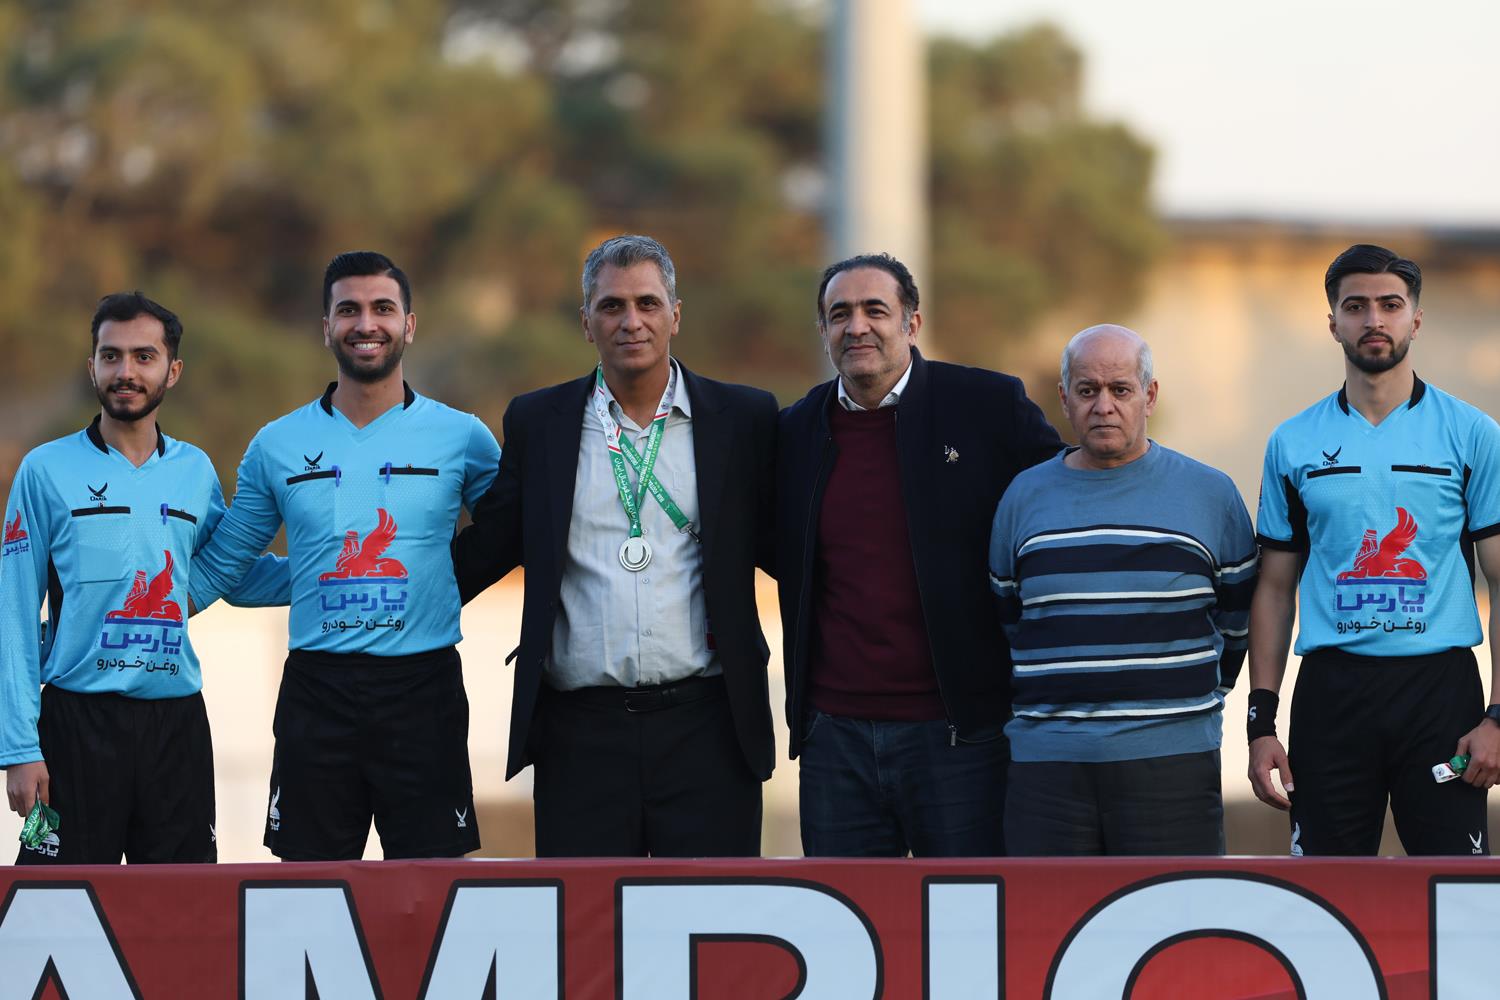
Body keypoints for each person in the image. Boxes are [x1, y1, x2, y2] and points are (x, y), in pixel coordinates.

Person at [452, 234, 776, 857]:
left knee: (715, 910)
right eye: (612, 306)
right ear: (586, 323)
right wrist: (383, 589)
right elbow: (487, 549)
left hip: (710, 726)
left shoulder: (744, 418)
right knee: (586, 916)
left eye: (648, 303)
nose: (632, 321)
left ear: (675, 315)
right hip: (581, 733)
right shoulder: (539, 423)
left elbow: (795, 546)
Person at [189, 251, 500, 861]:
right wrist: (119, 613)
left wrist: (437, 580)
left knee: (432, 885)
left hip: (424, 690)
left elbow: (511, 537)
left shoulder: (463, 436)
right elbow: (227, 568)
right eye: (349, 310)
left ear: (409, 324)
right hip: (317, 693)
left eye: (383, 308)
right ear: (326, 326)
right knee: (311, 888)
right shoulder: (276, 444)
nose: (366, 323)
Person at [774, 252, 1062, 857]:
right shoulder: (794, 431)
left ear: (912, 322)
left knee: (967, 910)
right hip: (835, 739)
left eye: (875, 310)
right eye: (839, 314)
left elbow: (1062, 501)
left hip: (960, 734)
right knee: (844, 912)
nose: (857, 327)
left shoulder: (988, 406)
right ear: (823, 330)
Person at [0, 292, 288, 864]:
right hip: (72, 725)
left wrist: (322, 575)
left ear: (172, 371)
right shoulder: (43, 471)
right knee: (50, 899)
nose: (125, 372)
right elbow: (14, 612)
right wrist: (19, 748)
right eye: (110, 356)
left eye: (143, 356)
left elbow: (228, 575)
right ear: (92, 366)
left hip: (176, 725)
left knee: (185, 904)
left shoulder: (195, 470)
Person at [1248, 244, 1500, 856]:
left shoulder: (1472, 434)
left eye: (1390, 305)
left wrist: (1498, 717)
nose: (1374, 320)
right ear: (1333, 322)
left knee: (1453, 886)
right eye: (1355, 306)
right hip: (1332, 694)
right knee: (1325, 886)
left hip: (1439, 693)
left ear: (1416, 318)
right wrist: (1261, 723)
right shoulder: (1293, 442)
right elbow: (1275, 590)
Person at [988, 325, 1257, 855]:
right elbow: (1009, 617)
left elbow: (1237, 623)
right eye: (1087, 390)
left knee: (1173, 907)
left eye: (1121, 389)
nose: (1104, 406)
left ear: (1149, 396)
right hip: (1048, 771)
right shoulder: (1023, 497)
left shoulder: (1211, 494)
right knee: (1047, 911)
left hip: (1173, 766)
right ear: (1065, 399)